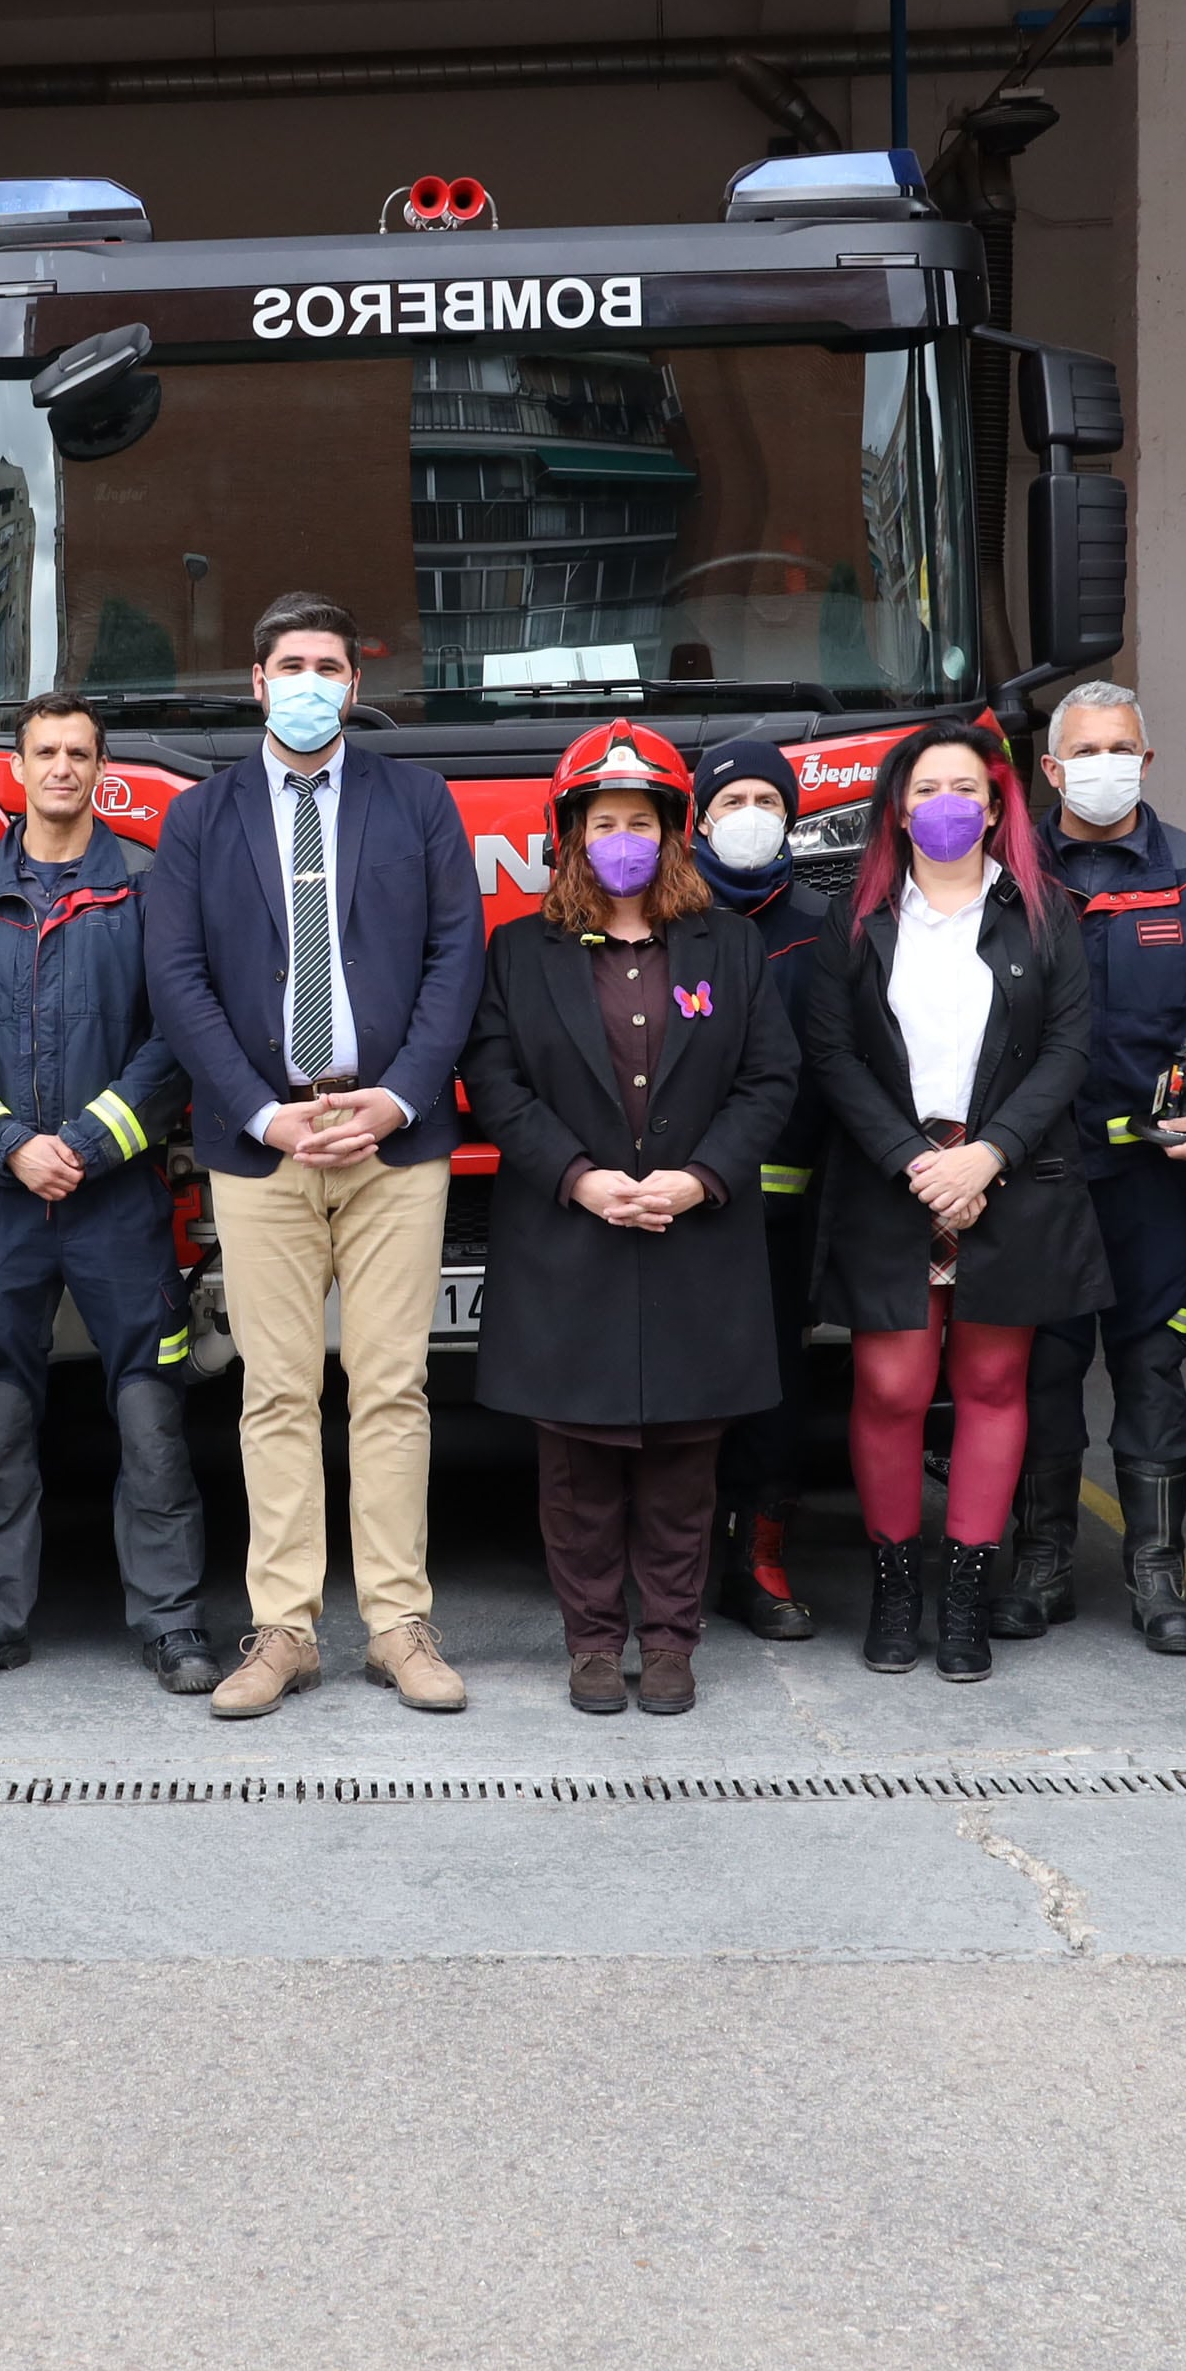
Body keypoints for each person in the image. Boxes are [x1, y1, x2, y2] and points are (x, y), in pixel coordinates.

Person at [143, 591, 488, 1719]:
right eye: (287, 662)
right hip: (263, 1146)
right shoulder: (199, 820)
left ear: (355, 681)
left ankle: (397, 1626)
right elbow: (179, 984)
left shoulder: (418, 801)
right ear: (255, 681)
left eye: (328, 664)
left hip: (392, 1138)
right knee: (275, 1394)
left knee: (391, 1387)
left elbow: (455, 963)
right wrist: (262, 1113)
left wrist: (395, 1099)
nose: (307, 681)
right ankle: (283, 1630)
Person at [462, 722, 800, 1715]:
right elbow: (493, 1079)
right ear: (568, 835)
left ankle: (670, 1644)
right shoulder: (518, 952)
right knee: (576, 1474)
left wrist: (701, 1177)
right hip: (570, 1243)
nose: (622, 838)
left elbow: (768, 1077)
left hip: (695, 1239)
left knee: (682, 1473)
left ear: (670, 834)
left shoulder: (730, 948)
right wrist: (576, 1176)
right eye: (603, 821)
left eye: (639, 822)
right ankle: (592, 1646)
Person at [801, 723, 1108, 1682]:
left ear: (993, 802)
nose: (944, 803)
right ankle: (898, 1586)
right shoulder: (851, 918)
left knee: (989, 1385)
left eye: (962, 787)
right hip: (893, 1175)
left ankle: (967, 1591)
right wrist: (912, 1159)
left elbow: (1064, 1050)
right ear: (897, 806)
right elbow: (832, 1055)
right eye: (925, 787)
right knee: (890, 1386)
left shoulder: (1045, 912)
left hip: (1001, 1175)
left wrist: (986, 1157)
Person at [0, 690, 213, 1693]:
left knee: (149, 1412)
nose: (59, 769)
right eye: (42, 752)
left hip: (113, 1200)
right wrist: (7, 1145)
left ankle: (171, 1622)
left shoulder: (146, 890)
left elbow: (174, 1042)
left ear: (99, 769)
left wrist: (84, 1145)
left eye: (76, 754)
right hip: (3, 1204)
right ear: (16, 770)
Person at [1023, 682, 1186, 1655]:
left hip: (1152, 1176)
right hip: (1036, 1175)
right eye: (1083, 751)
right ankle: (1041, 1561)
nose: (1103, 765)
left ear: (1147, 759)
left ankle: (1156, 1571)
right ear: (1050, 769)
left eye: (1120, 747)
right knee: (1043, 1372)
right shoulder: (1009, 871)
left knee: (1151, 1367)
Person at [694, 739, 835, 1642]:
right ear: (699, 819)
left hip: (790, 1205)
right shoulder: (668, 920)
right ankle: (681, 1556)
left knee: (777, 1383)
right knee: (682, 1387)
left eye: (767, 800)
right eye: (731, 799)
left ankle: (761, 1553)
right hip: (678, 1201)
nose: (750, 815)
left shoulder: (828, 923)